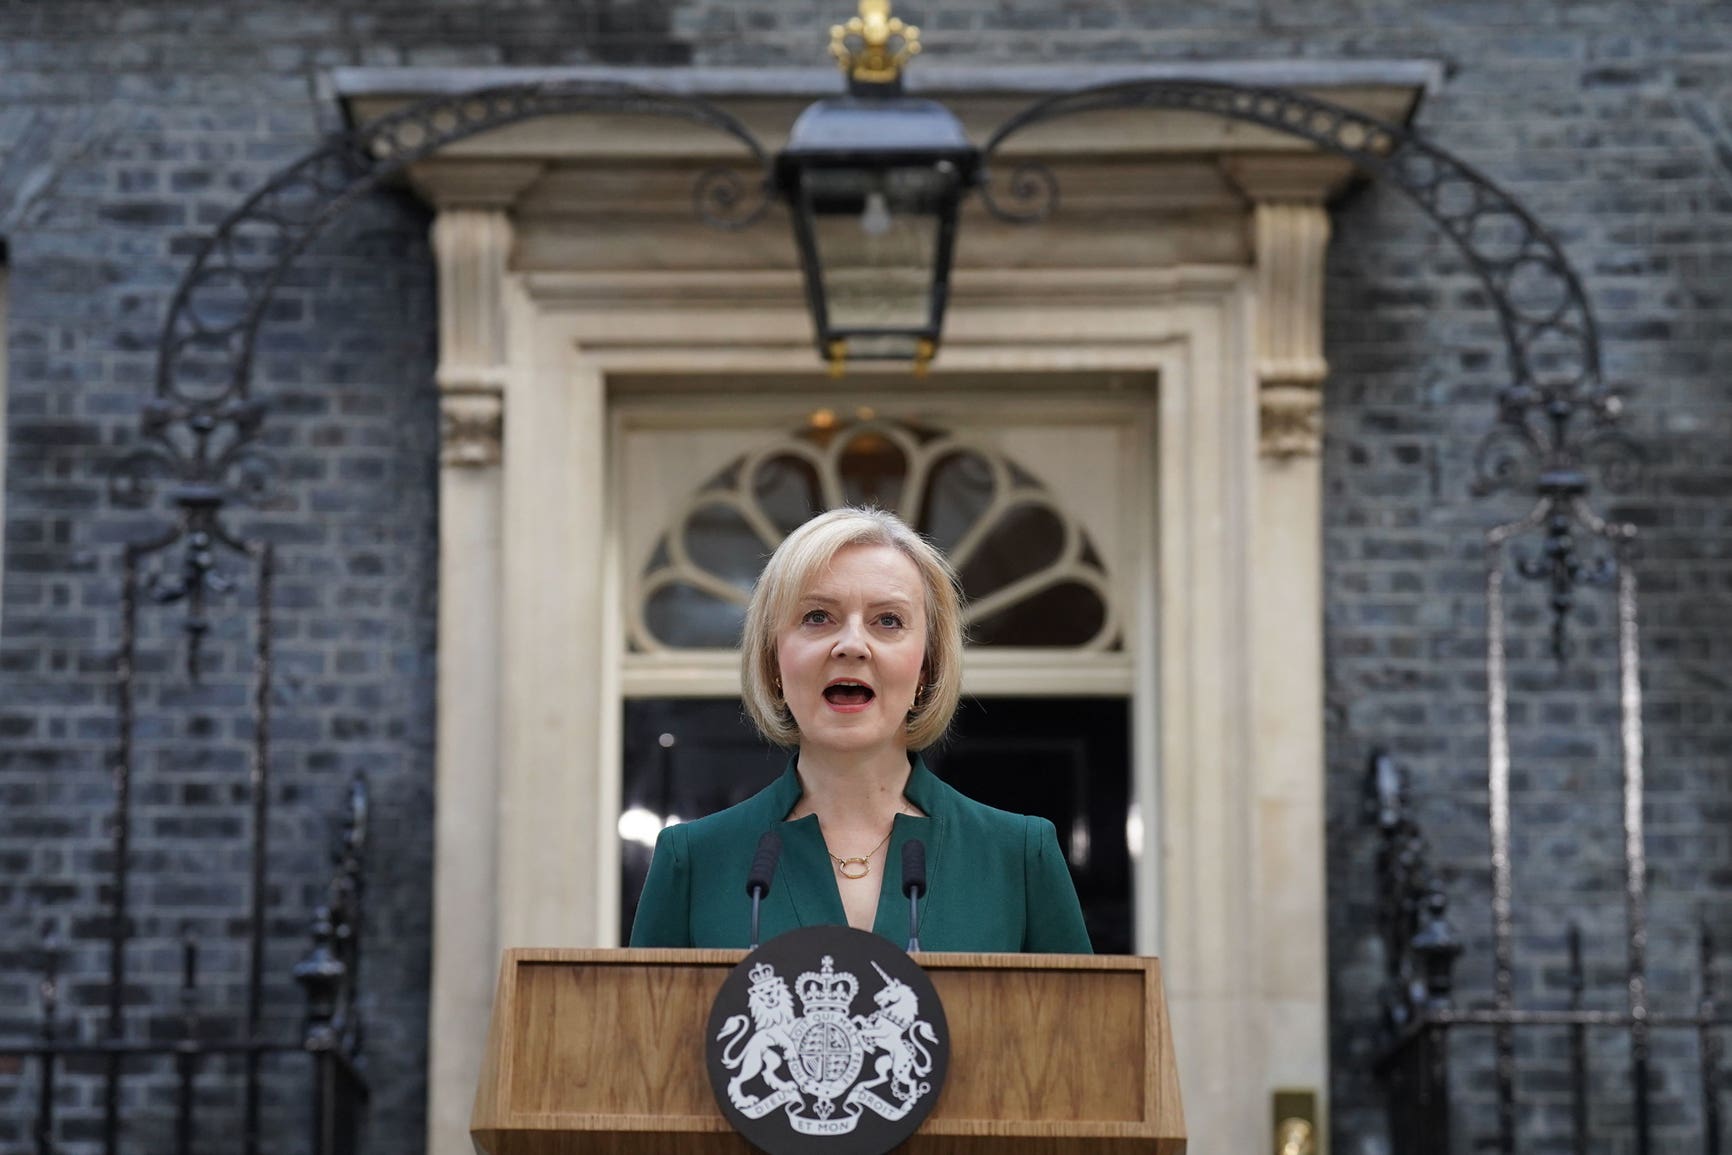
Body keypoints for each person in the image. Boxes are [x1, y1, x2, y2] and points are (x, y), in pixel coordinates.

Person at [628, 506, 1093, 953]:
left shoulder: (1017, 855)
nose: (852, 645)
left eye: (887, 621)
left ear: (926, 667)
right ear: (773, 660)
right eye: (817, 617)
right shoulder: (693, 860)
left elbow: (1084, 1031)